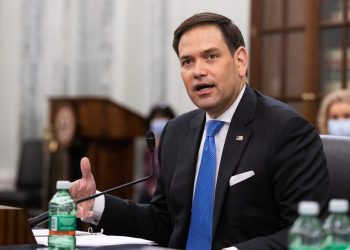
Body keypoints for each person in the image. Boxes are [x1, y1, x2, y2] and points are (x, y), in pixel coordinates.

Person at [70, 12, 329, 249]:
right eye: (187, 62)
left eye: (211, 56)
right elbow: (165, 221)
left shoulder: (286, 130)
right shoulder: (177, 132)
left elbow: (308, 234)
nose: (198, 71)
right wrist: (97, 204)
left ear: (240, 61)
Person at [139, 104, 176, 203]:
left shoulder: (176, 143)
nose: (159, 121)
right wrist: (150, 188)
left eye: (162, 117)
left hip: (168, 193)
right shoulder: (148, 144)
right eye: (156, 118)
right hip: (149, 192)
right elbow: (146, 171)